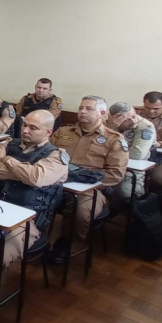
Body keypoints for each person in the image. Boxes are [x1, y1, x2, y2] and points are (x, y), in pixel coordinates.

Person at [0, 110, 68, 280]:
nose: (25, 130)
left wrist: (8, 161)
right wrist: (26, 172)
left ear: (48, 132)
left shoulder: (56, 156)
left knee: (1, 250)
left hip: (29, 220)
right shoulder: (7, 144)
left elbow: (36, 178)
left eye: (33, 128)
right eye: (25, 125)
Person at [50, 96, 128, 251]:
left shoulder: (114, 139)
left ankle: (69, 244)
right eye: (80, 108)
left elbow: (115, 173)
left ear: (102, 112)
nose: (82, 111)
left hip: (91, 188)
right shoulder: (63, 131)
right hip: (58, 181)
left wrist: (85, 182)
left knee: (81, 211)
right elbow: (46, 155)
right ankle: (33, 238)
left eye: (89, 108)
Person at [107, 101, 156, 199]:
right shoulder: (108, 124)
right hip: (105, 164)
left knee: (124, 192)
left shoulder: (145, 126)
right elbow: (94, 144)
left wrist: (110, 151)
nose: (133, 121)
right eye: (127, 119)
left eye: (134, 116)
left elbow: (137, 154)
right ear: (114, 118)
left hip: (131, 168)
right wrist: (110, 129)